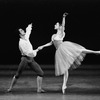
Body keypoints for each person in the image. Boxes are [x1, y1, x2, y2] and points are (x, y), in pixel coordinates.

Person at [38, 13, 100, 94]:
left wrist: (63, 17)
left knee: (79, 50)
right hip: (59, 52)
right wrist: (42, 46)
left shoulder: (61, 33)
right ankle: (64, 85)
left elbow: (63, 25)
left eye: (56, 24)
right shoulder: (53, 35)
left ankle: (95, 52)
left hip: (64, 48)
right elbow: (50, 43)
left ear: (59, 26)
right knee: (65, 69)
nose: (54, 25)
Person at [7, 23, 45, 93]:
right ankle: (10, 88)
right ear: (20, 34)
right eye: (21, 30)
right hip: (25, 59)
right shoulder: (21, 43)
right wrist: (37, 50)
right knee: (18, 75)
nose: (23, 30)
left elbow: (28, 32)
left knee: (41, 73)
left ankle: (39, 89)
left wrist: (29, 26)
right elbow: (28, 53)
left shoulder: (26, 38)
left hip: (31, 59)